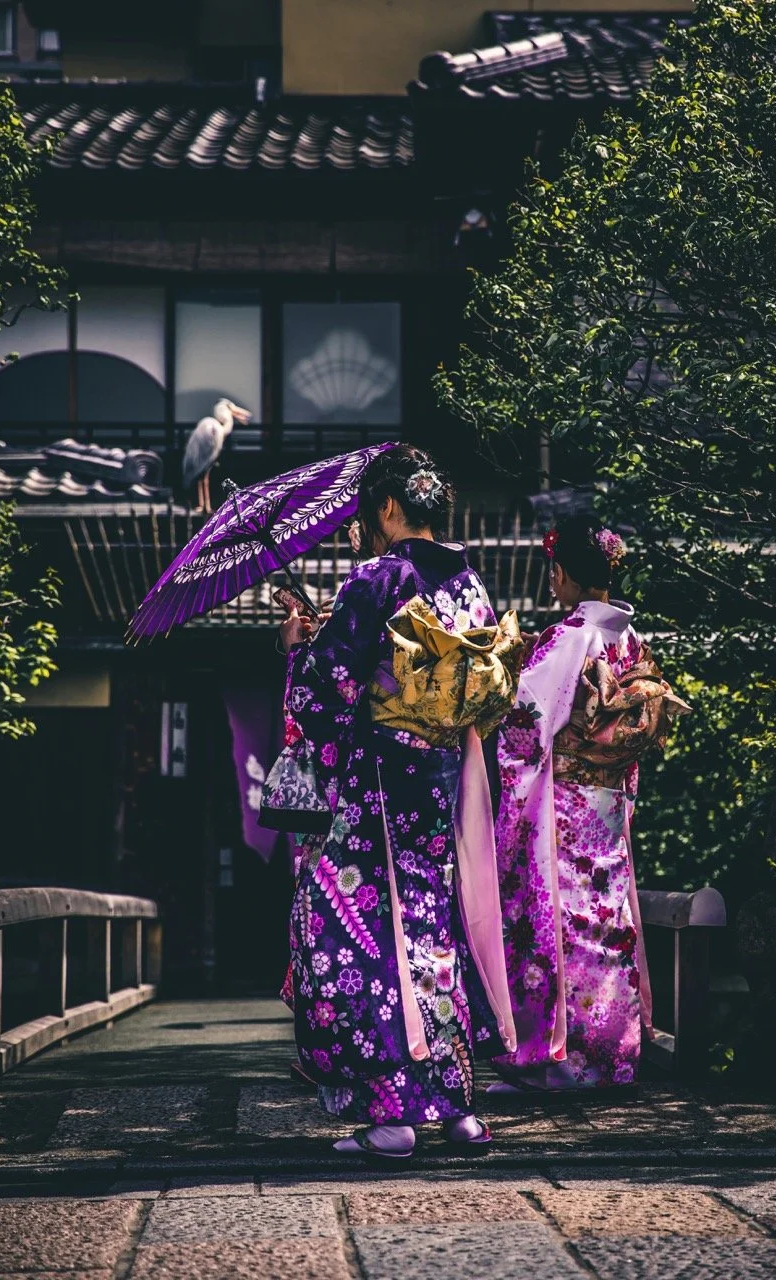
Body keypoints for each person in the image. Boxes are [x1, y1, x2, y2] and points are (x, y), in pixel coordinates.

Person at [279, 444, 519, 1158]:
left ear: (388, 508)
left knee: (342, 931)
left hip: (378, 791)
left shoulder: (376, 581)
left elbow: (322, 700)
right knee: (431, 933)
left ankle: (393, 1116)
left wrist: (298, 649)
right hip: (441, 787)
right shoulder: (471, 586)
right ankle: (457, 1108)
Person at [493, 517, 690, 1092]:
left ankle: (554, 1058)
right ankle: (610, 1057)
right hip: (609, 806)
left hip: (564, 805)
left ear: (560, 574)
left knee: (556, 923)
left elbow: (521, 724)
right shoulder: (631, 641)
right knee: (608, 926)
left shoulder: (568, 638)